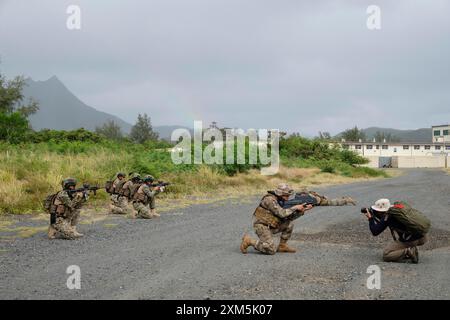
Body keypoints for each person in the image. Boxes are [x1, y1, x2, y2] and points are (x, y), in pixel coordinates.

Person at [240, 183, 356, 255]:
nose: (288, 198)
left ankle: (282, 245)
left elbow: (289, 217)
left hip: (272, 224)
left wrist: (302, 211)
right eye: (286, 195)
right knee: (270, 250)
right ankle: (250, 241)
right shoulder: (269, 200)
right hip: (262, 225)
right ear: (280, 193)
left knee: (289, 224)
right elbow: (282, 214)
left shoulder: (281, 200)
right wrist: (295, 207)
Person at [362, 199, 430, 263]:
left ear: (380, 211)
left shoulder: (387, 216)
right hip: (423, 236)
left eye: (376, 210)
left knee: (386, 255)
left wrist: (370, 219)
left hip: (412, 240)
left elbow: (375, 231)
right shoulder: (397, 210)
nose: (375, 212)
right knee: (404, 238)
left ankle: (409, 251)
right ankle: (410, 247)